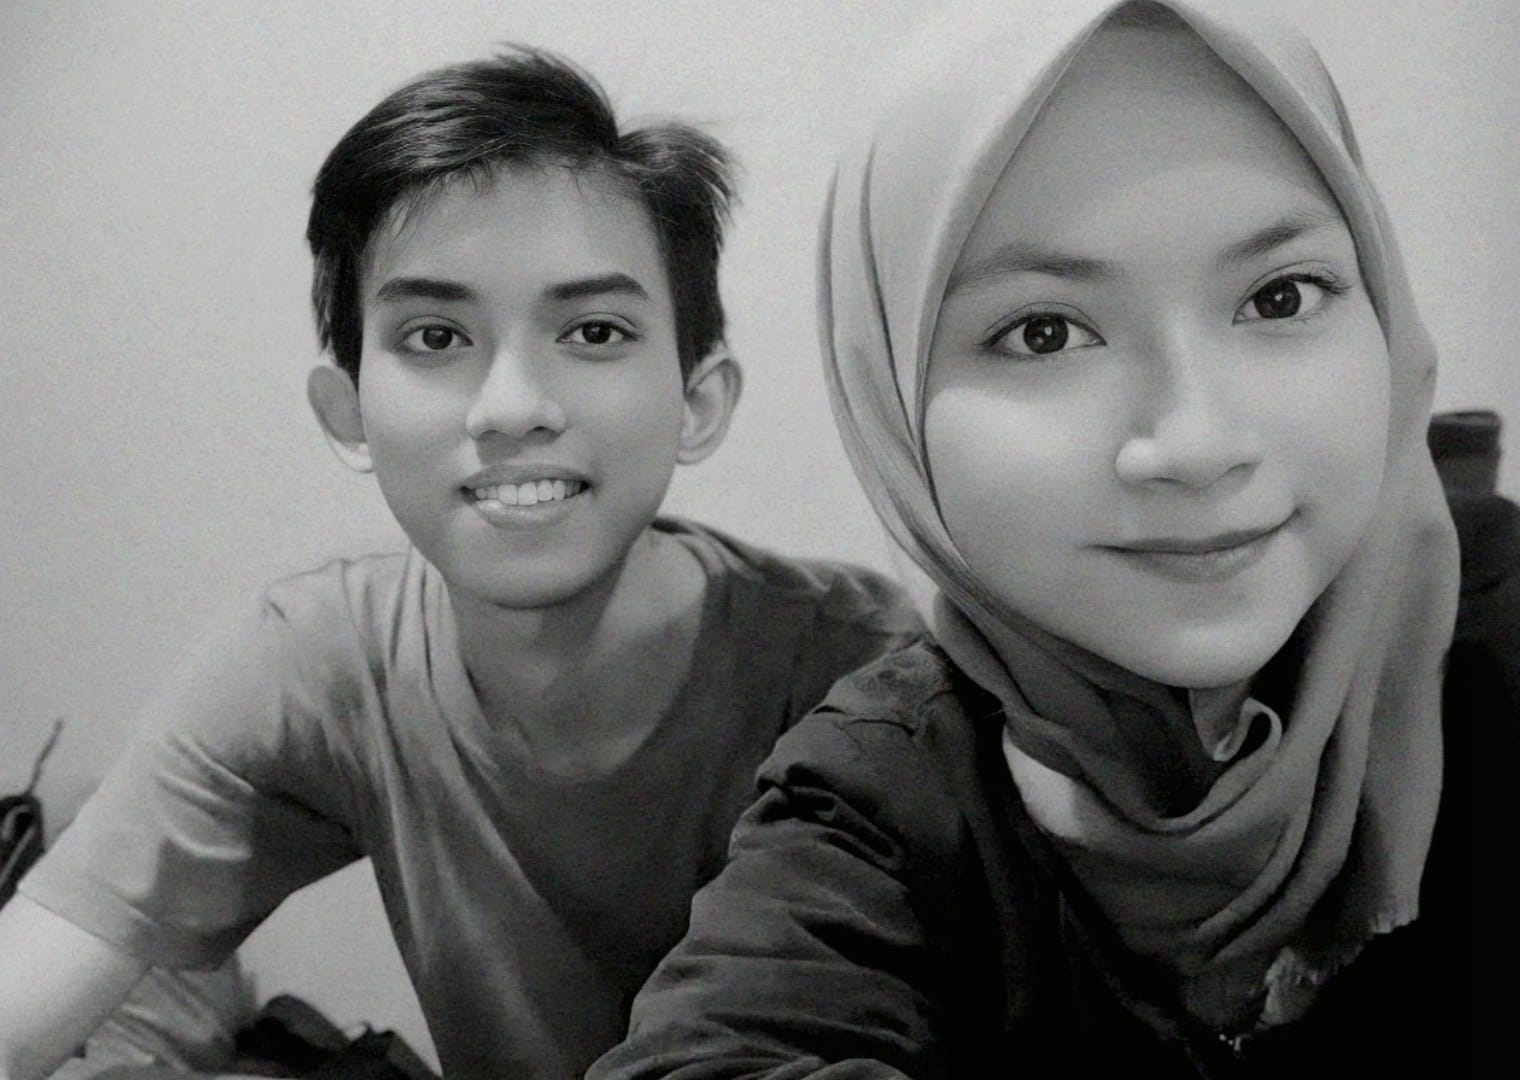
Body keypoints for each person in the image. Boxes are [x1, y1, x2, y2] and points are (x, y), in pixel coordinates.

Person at [589, 1, 1493, 1075]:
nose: (1196, 445)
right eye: (1045, 332)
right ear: (892, 396)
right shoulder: (884, 796)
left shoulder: (1496, 643)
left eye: (1279, 296)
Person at [0, 48, 921, 1080]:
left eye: (594, 330)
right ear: (346, 413)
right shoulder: (322, 665)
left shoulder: (873, 681)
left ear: (697, 401)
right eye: (436, 337)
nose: (511, 406)